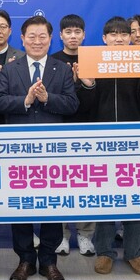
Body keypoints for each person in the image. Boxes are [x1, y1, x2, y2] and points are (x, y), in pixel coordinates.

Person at [0, 15, 79, 280]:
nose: (37, 41)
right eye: (32, 36)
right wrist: (26, 100)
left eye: (43, 36)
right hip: (18, 150)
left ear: (51, 39)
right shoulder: (10, 69)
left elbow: (72, 104)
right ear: (22, 39)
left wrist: (48, 98)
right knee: (21, 205)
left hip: (53, 150)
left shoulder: (61, 69)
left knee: (52, 204)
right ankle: (25, 260)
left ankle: (49, 261)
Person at [77, 17, 140, 276]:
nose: (119, 38)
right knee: (105, 197)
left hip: (137, 142)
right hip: (101, 142)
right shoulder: (92, 62)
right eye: (113, 34)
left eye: (124, 34)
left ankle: (134, 251)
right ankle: (105, 251)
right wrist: (87, 84)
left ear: (131, 38)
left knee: (136, 198)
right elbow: (81, 108)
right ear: (104, 38)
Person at [50, 14, 95, 256]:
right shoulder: (53, 61)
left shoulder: (93, 58)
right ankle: (62, 236)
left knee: (87, 183)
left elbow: (96, 97)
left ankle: (86, 234)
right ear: (60, 35)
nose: (73, 36)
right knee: (59, 184)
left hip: (87, 129)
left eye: (77, 32)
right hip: (59, 129)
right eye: (68, 32)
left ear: (84, 35)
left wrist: (84, 84)